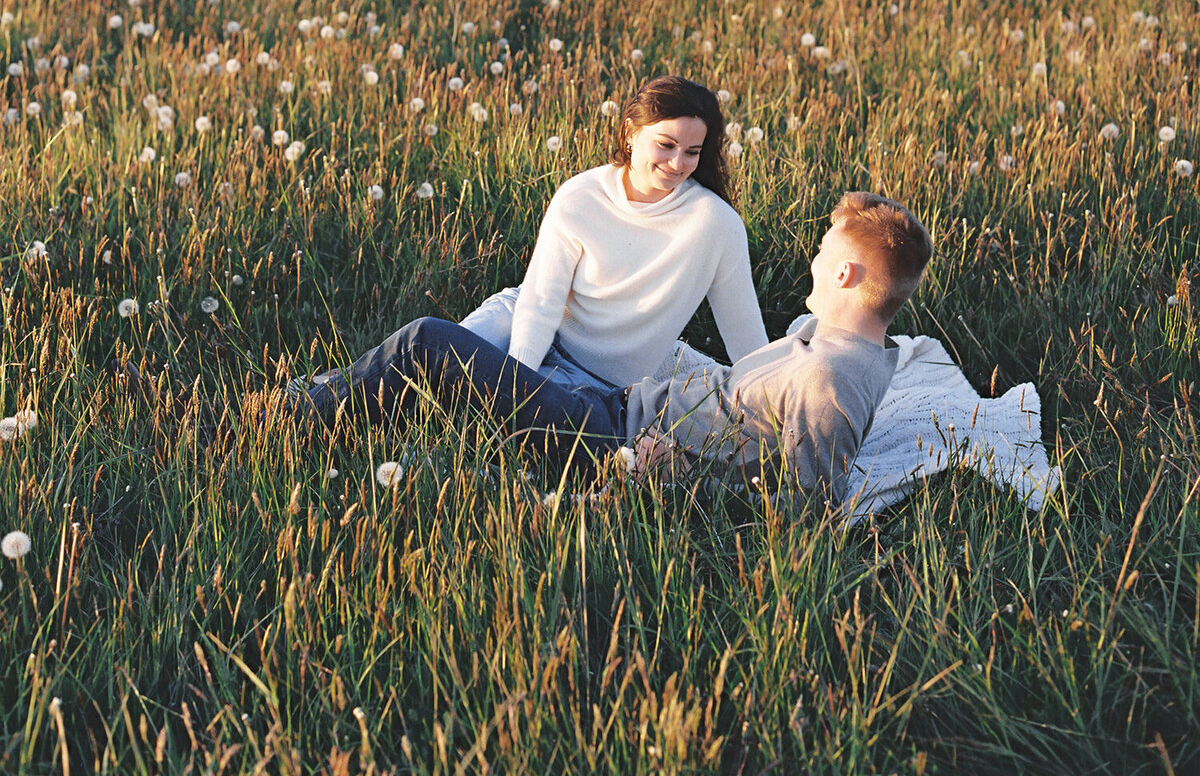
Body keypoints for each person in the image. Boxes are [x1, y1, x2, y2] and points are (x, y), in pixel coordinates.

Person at [291, 191, 934, 507]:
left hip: (606, 440)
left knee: (428, 341)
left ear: (848, 276)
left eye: (824, 254)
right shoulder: (865, 347)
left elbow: (802, 504)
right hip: (619, 406)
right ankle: (344, 400)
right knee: (507, 328)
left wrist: (675, 476)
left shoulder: (831, 378)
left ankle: (293, 423)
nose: (814, 262)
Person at [465, 75, 769, 393]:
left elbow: (744, 332)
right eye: (666, 145)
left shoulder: (716, 224)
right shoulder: (581, 195)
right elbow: (540, 301)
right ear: (630, 133)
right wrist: (520, 380)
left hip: (596, 381)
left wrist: (772, 407)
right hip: (521, 324)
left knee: (482, 402)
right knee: (428, 355)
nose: (678, 163)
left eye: (692, 152)